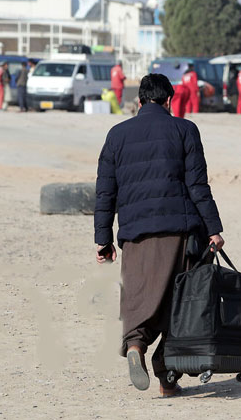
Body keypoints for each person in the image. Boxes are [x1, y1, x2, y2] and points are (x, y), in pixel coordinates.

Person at [94, 73, 225, 397]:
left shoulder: (116, 135)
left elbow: (105, 191)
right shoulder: (185, 130)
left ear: (139, 101)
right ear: (169, 100)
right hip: (178, 232)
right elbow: (197, 185)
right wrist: (214, 229)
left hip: (135, 233)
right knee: (179, 304)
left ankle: (136, 343)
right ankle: (167, 378)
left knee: (139, 295)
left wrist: (103, 239)